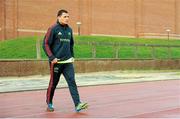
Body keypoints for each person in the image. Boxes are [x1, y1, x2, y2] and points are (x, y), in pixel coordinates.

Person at [42, 9, 88, 112]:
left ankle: (78, 104)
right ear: (58, 17)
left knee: (72, 81)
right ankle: (49, 103)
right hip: (56, 62)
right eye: (65, 17)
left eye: (68, 17)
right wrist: (51, 57)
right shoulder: (53, 28)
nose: (67, 18)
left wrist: (72, 56)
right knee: (53, 83)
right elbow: (45, 44)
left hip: (67, 62)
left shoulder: (69, 30)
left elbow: (71, 44)